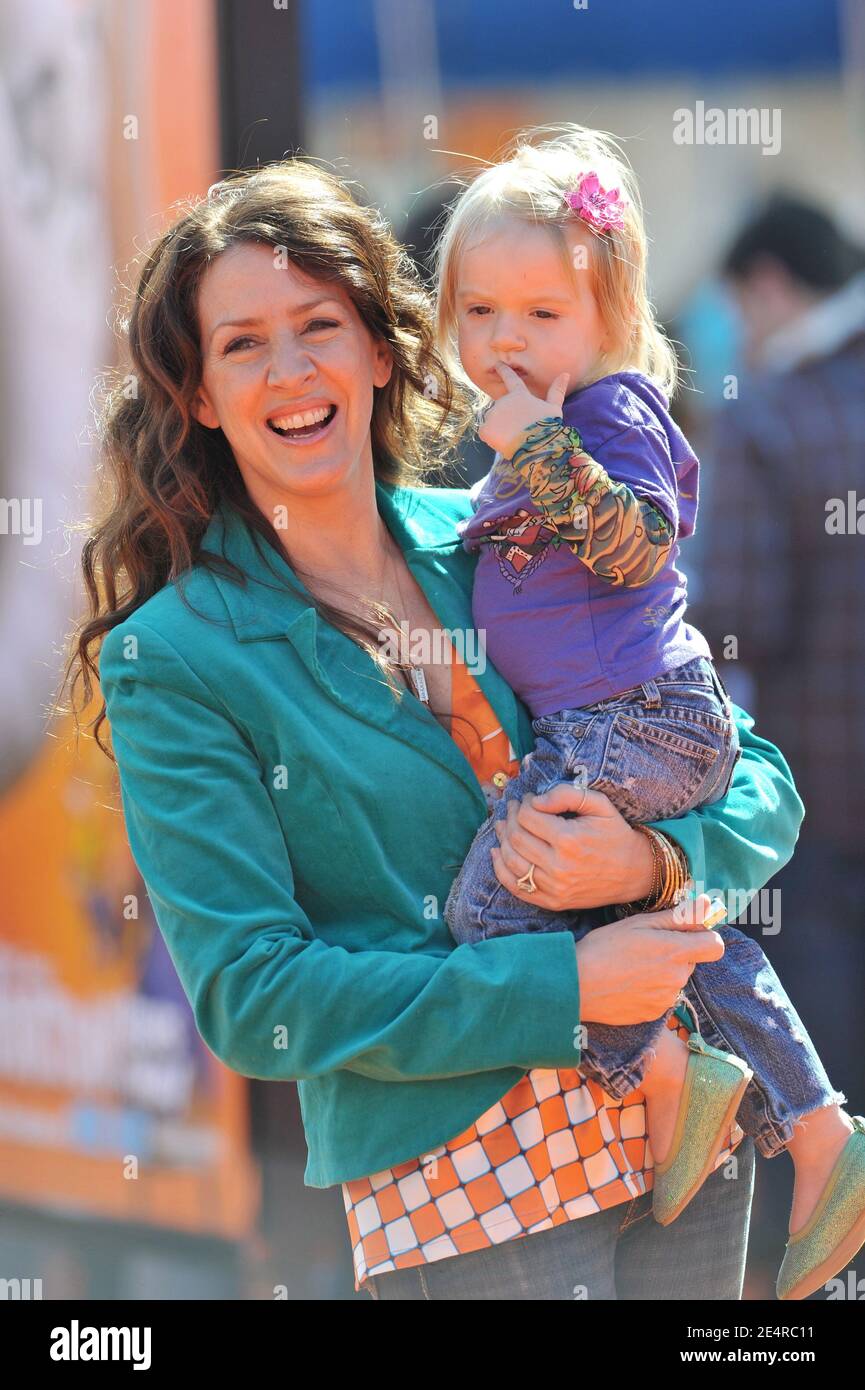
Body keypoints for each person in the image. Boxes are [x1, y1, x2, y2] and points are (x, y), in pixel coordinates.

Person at [60, 159, 804, 1301]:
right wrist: (561, 986)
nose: (293, 369)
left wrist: (656, 859)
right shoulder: (178, 654)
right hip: (469, 1199)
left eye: (320, 325)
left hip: (682, 1152)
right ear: (200, 393)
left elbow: (749, 775)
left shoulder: (509, 527)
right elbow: (256, 999)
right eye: (243, 343)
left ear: (378, 347)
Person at [431, 126, 865, 1299]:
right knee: (668, 915)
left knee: (490, 906)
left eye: (540, 314)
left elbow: (633, 546)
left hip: (637, 721)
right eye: (479, 314)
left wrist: (537, 445)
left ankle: (672, 1075)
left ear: (610, 318)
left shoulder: (610, 413)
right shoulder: (518, 442)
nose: (506, 342)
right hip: (609, 728)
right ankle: (808, 1119)